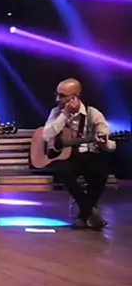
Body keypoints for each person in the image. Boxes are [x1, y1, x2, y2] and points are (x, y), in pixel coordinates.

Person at [42, 78, 116, 230]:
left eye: (62, 96)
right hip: (68, 157)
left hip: (89, 155)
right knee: (63, 171)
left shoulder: (92, 113)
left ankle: (83, 215)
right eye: (57, 94)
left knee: (101, 171)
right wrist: (65, 114)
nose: (57, 99)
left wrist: (103, 143)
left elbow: (111, 144)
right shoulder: (56, 112)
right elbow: (46, 135)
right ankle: (89, 213)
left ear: (75, 97)